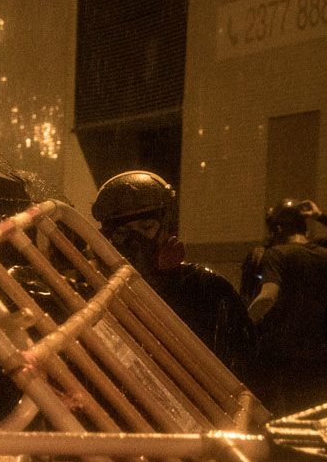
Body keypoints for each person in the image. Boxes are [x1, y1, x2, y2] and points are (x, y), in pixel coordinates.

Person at [90, 171, 250, 376]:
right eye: (123, 232)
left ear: (167, 228)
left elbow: (239, 366)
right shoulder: (105, 295)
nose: (135, 241)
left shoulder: (205, 289)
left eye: (146, 227)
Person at [245, 196, 327, 414]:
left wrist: (244, 325)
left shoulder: (278, 255)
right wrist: (320, 216)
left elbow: (268, 296)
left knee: (287, 419)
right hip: (321, 356)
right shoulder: (323, 254)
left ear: (278, 228)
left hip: (286, 356)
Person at [241, 200, 322, 304]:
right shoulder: (318, 252)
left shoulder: (271, 255)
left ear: (277, 229)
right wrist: (319, 216)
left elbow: (261, 296)